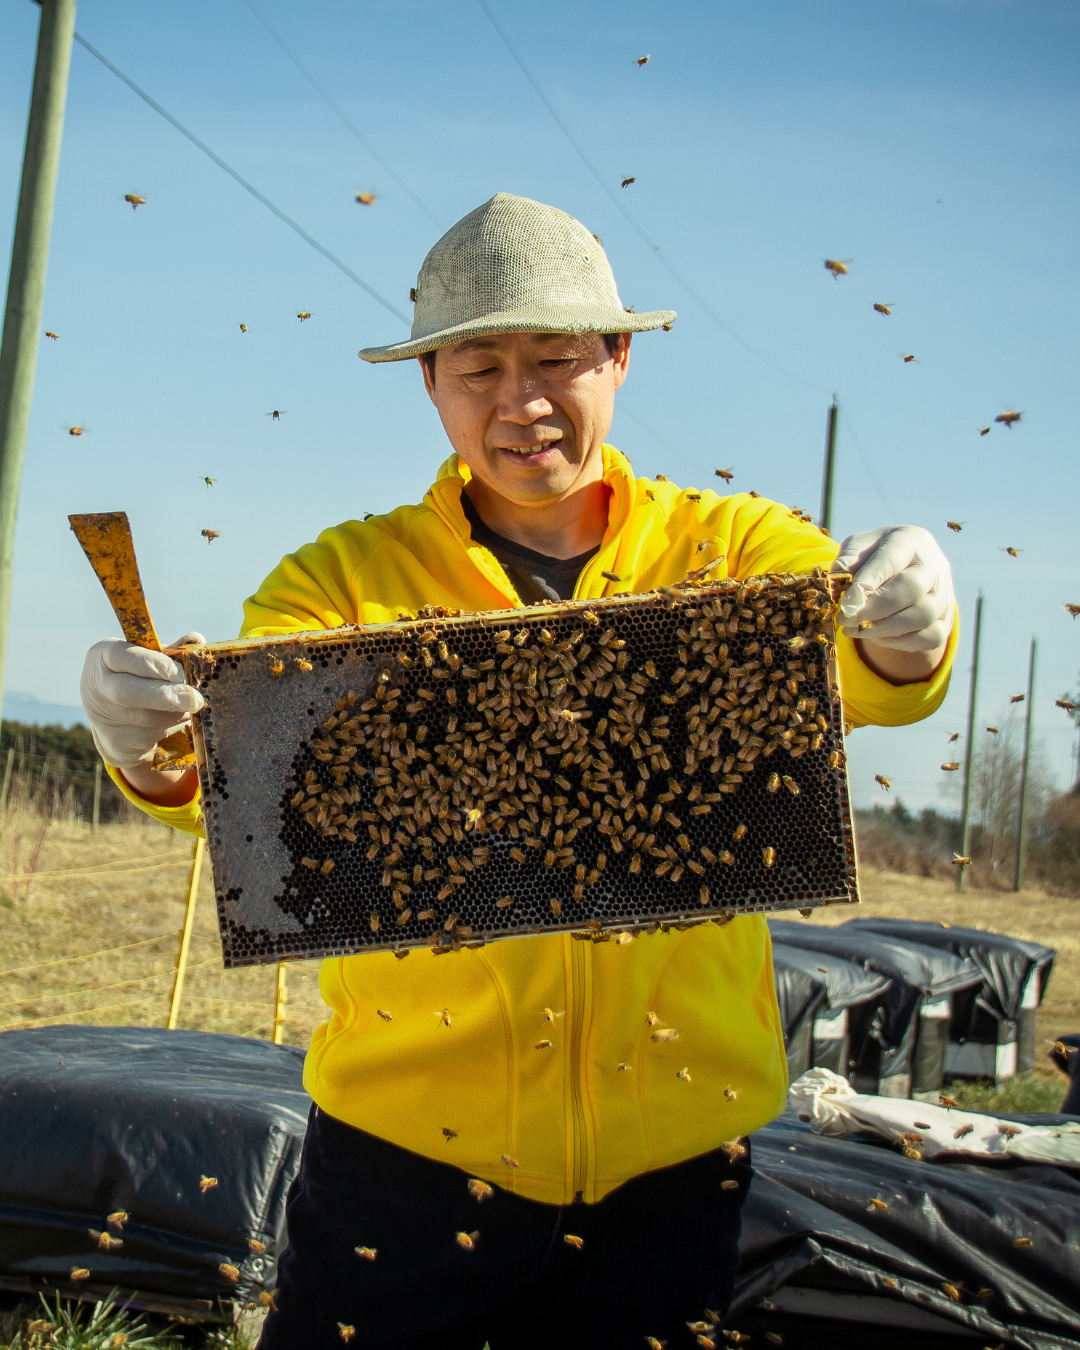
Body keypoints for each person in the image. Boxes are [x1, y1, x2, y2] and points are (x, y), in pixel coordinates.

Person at [79, 194, 957, 1348]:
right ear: (431, 384)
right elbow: (262, 810)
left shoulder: (731, 549)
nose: (520, 401)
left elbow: (858, 663)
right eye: (478, 367)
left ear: (619, 360)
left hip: (680, 1152)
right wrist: (157, 758)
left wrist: (911, 634)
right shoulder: (342, 578)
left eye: (555, 359)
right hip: (404, 1161)